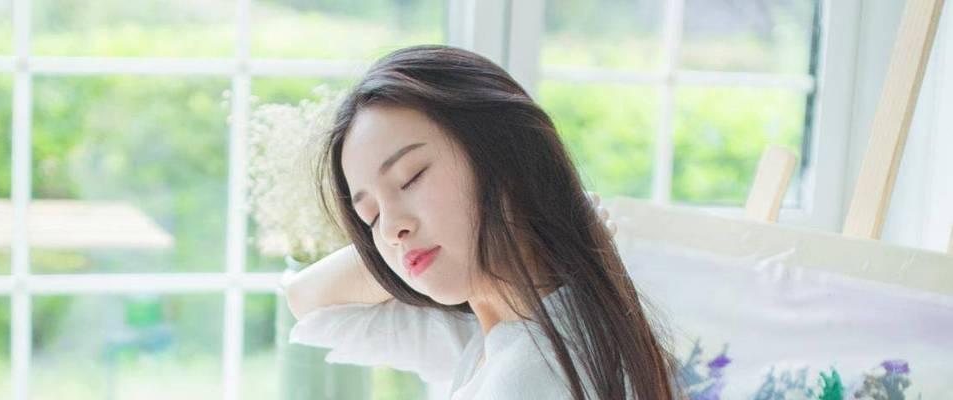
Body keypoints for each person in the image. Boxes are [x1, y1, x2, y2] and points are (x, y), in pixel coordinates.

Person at [283, 45, 682, 399]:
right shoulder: (499, 330)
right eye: (369, 215)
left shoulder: (531, 372)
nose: (389, 229)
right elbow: (308, 301)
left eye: (411, 177)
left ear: (505, 156)